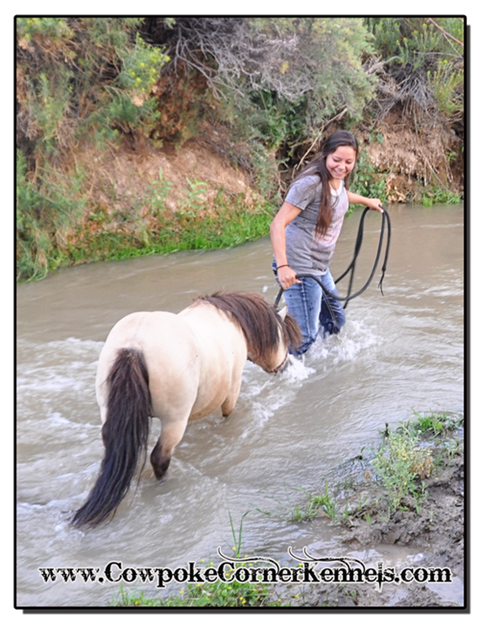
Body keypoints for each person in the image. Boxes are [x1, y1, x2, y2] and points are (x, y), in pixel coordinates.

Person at [270, 130, 383, 356]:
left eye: (348, 162)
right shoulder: (310, 185)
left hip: (320, 267)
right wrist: (283, 267)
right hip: (299, 267)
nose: (342, 166)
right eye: (336, 160)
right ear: (326, 156)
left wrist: (366, 201)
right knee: (305, 336)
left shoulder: (337, 181)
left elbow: (341, 195)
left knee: (334, 321)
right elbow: (277, 224)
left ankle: (314, 358)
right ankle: (281, 371)